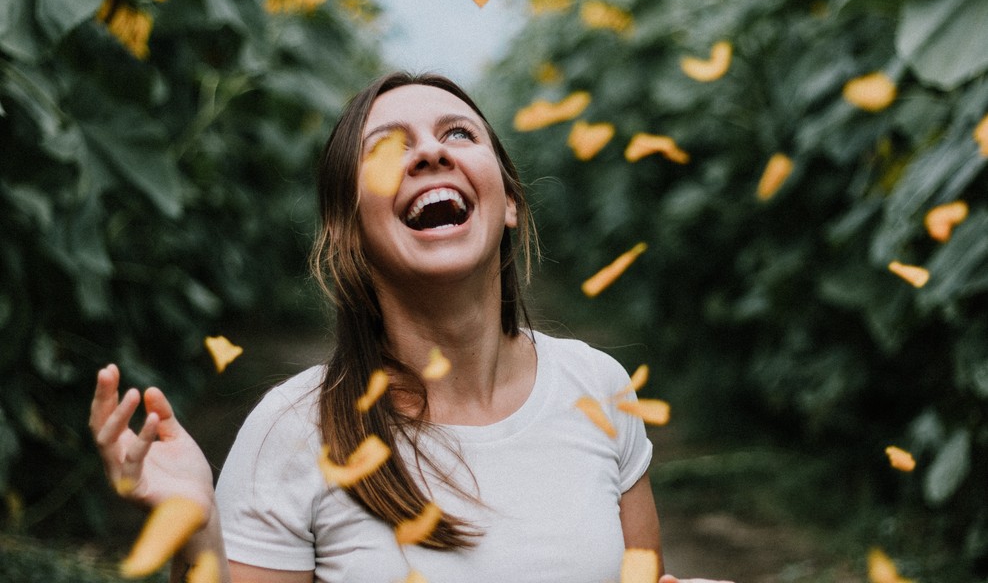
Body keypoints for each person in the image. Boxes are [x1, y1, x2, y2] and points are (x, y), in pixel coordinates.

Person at [90, 72, 732, 583]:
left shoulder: (599, 387)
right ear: (348, 230)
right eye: (389, 147)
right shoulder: (288, 433)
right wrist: (195, 533)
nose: (428, 151)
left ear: (508, 201)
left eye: (458, 134)